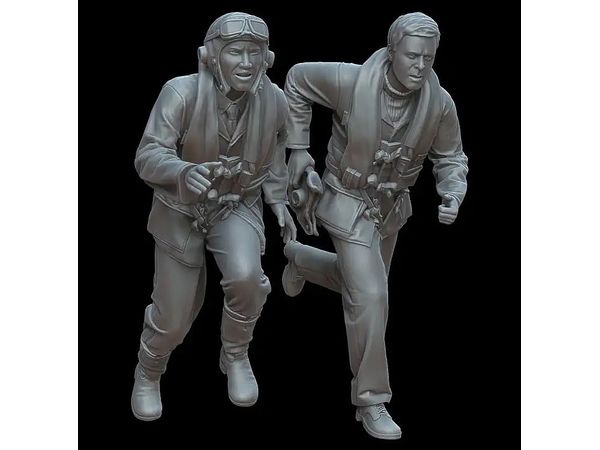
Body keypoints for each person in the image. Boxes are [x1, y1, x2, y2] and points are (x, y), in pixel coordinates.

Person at [282, 12, 468, 440]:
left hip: (390, 210)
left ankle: (302, 261)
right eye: (412, 55)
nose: (420, 66)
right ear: (392, 50)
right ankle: (370, 399)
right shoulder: (350, 81)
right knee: (372, 296)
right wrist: (298, 148)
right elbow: (296, 80)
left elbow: (451, 157)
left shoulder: (439, 104)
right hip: (346, 202)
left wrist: (453, 192)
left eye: (428, 57)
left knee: (361, 288)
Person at [131, 12, 296, 421]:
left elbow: (276, 152)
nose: (246, 62)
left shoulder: (274, 100)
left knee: (248, 280)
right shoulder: (181, 92)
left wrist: (278, 202)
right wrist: (181, 171)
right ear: (212, 56)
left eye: (255, 53)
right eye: (235, 52)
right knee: (172, 317)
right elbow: (148, 155)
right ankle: (149, 369)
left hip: (236, 203)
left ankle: (235, 353)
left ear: (267, 58)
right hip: (181, 208)